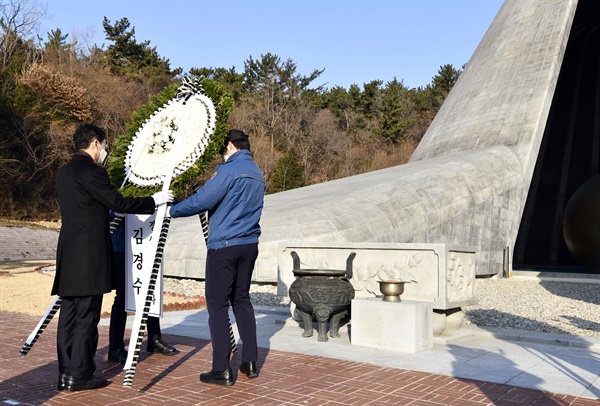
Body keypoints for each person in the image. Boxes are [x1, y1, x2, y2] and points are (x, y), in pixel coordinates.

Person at [52, 124, 173, 392]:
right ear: (95, 143)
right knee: (86, 317)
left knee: (69, 315)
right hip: (88, 256)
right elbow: (119, 203)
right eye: (103, 145)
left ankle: (65, 372)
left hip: (68, 253)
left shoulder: (64, 173)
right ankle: (80, 374)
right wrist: (154, 200)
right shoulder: (93, 173)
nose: (104, 151)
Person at [169, 129, 265, 386]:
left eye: (224, 149)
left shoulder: (228, 170)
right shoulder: (257, 173)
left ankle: (221, 368)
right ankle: (250, 362)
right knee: (242, 300)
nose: (223, 153)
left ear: (231, 146)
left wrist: (172, 209)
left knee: (218, 305)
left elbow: (203, 200)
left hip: (224, 246)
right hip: (249, 244)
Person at [107, 212, 179, 363]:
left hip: (147, 244)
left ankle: (154, 338)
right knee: (123, 295)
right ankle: (115, 347)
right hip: (122, 246)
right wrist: (114, 212)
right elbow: (104, 207)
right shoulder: (118, 187)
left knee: (149, 291)